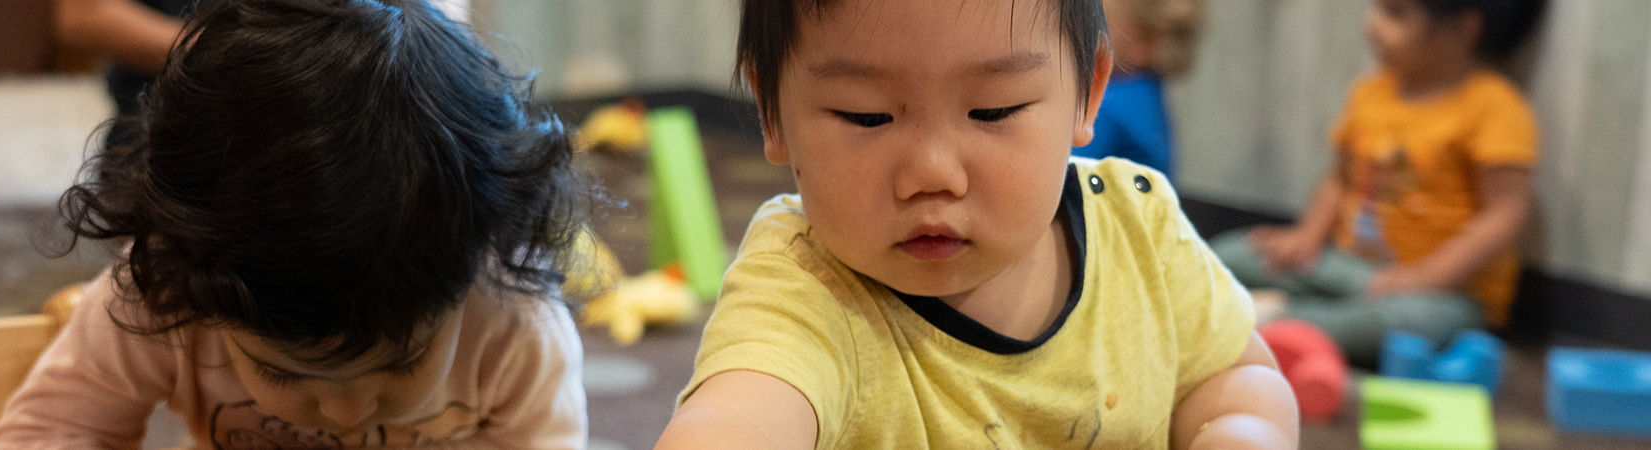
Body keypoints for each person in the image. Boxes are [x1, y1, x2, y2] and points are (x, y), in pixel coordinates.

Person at [654, 0, 1298, 448]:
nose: (934, 173)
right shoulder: (803, 284)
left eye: (993, 110)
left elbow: (1233, 375)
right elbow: (743, 412)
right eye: (866, 116)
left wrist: (1243, 430)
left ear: (1089, 92)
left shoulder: (1141, 229)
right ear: (773, 113)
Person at [0, 0, 589, 448]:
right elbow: (48, 430)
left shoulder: (515, 320)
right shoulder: (166, 294)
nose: (347, 413)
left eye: (401, 364)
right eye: (281, 370)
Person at [1210, 0, 1544, 365]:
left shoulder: (1494, 106)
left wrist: (1424, 277)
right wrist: (1306, 236)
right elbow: (1340, 179)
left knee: (1405, 323)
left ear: (1463, 30)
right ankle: (1268, 312)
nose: (1373, 24)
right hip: (1353, 270)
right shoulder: (1370, 92)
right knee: (1229, 255)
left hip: (1445, 296)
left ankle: (1269, 322)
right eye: (1377, 8)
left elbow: (1505, 214)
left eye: (1396, 14)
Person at [1070, 0, 1202, 179]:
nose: (1079, 30)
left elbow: (1055, 175)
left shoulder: (1109, 107)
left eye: (1098, 20)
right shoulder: (1146, 96)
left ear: (1145, 41)